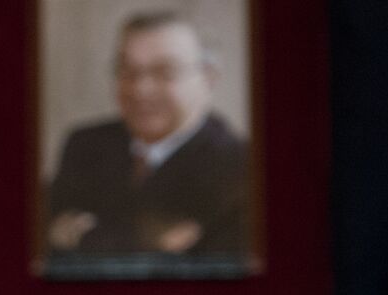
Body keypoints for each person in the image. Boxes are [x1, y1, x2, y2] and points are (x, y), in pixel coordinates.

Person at [44, 10, 249, 256]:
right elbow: (42, 244)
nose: (140, 89)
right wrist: (149, 240)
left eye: (165, 72)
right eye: (127, 70)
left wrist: (83, 236)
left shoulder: (240, 164)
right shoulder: (85, 146)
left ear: (208, 78)